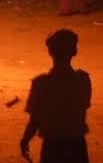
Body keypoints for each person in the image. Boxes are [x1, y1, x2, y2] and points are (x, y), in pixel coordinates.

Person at [20, 29, 91, 163]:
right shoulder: (83, 80)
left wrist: (24, 140)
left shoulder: (40, 83)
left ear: (50, 52)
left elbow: (35, 120)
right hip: (77, 145)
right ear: (74, 51)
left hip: (52, 146)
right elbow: (84, 107)